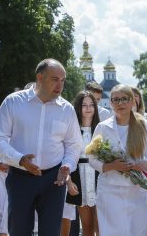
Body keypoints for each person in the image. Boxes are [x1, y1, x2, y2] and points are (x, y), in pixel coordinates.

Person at [0, 58, 82, 236]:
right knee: (19, 230)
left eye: (63, 80)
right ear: (40, 77)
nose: (60, 85)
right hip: (20, 178)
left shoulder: (67, 109)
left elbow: (73, 144)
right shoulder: (13, 102)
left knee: (50, 232)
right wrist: (20, 160)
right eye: (55, 79)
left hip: (54, 180)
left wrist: (67, 165)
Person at [89, 84, 147, 236]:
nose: (120, 103)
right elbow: (92, 158)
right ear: (111, 102)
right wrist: (111, 166)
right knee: (112, 232)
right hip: (110, 190)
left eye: (124, 99)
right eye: (116, 100)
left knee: (139, 231)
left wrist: (145, 164)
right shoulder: (103, 127)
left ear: (133, 101)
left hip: (139, 190)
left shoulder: (145, 126)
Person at [64, 91, 100, 236]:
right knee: (87, 225)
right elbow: (65, 156)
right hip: (80, 178)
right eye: (84, 105)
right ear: (78, 107)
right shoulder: (72, 130)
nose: (88, 108)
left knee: (101, 225)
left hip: (99, 178)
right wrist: (69, 180)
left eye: (91, 104)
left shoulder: (101, 128)